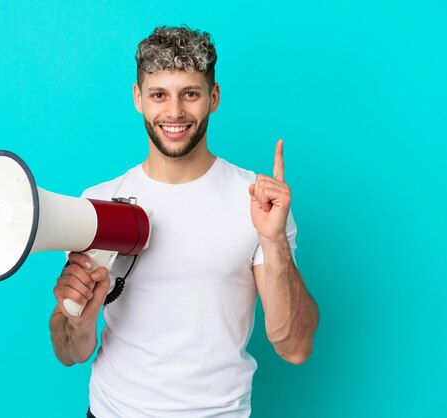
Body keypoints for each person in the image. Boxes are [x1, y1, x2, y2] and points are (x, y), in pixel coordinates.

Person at [50, 25, 319, 418]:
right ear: (138, 98)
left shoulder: (258, 203)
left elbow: (295, 347)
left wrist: (274, 241)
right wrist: (80, 316)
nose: (174, 112)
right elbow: (67, 352)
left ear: (214, 98)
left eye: (189, 94)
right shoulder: (97, 203)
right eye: (159, 95)